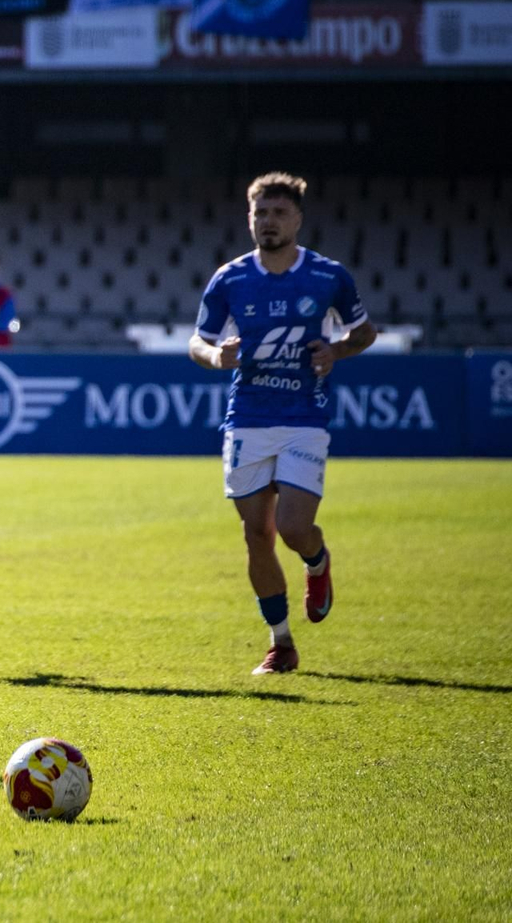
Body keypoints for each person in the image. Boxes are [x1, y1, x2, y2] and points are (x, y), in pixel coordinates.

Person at [188, 173, 377, 676]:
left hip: (303, 419)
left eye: (278, 213)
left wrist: (336, 349)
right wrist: (216, 356)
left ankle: (317, 561)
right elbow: (197, 342)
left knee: (293, 527)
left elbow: (364, 332)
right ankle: (281, 643)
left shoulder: (327, 276)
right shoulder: (230, 279)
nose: (268, 222)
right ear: (250, 219)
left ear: (297, 219)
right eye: (260, 214)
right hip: (247, 419)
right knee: (256, 536)